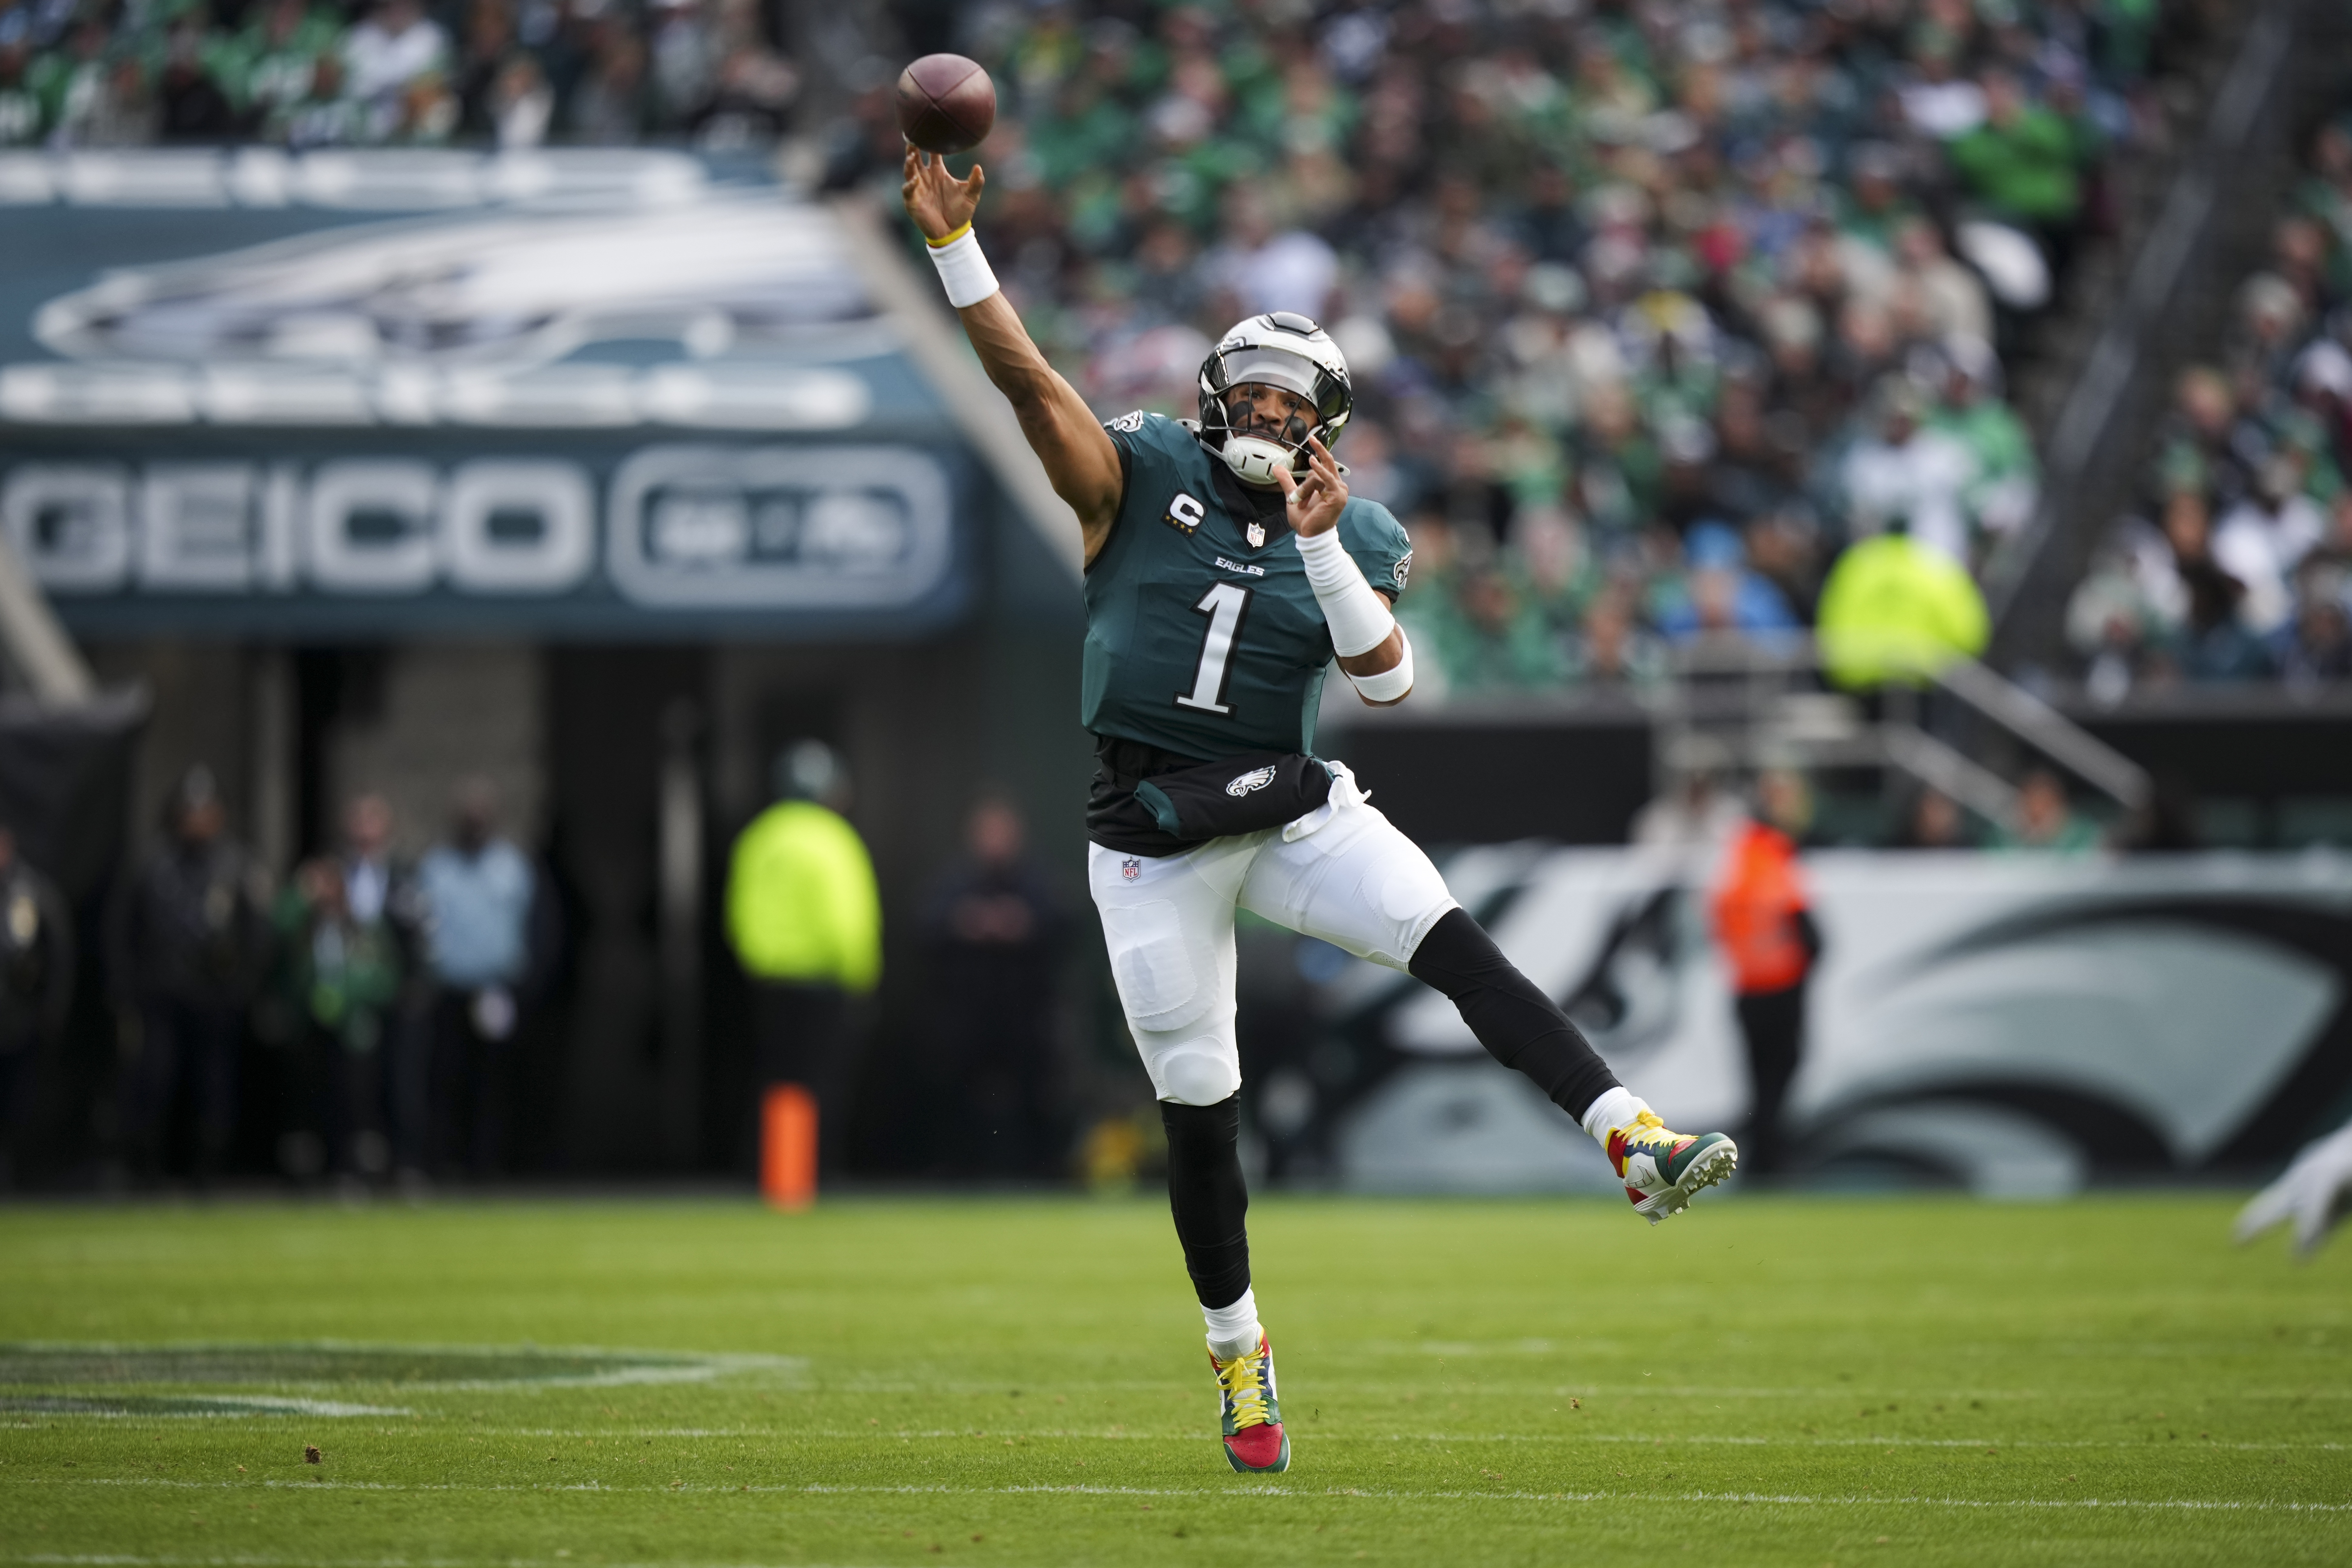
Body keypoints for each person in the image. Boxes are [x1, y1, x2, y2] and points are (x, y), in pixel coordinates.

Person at [904, 144, 1738, 1476]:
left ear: (1328, 429)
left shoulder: (1347, 529)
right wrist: (956, 249)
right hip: (1151, 836)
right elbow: (1027, 382)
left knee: (1455, 941)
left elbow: (1389, 681)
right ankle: (1241, 1351)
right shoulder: (1136, 474)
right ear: (1212, 396)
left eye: (1299, 404)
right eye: (1255, 393)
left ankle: (1631, 1133)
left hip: (1292, 810)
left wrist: (1316, 542)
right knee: (1199, 1102)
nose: (1273, 416)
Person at [723, 740, 880, 1178]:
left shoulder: (761, 837)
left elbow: (741, 912)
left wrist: (760, 961)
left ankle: (774, 1176)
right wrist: (861, 977)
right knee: (821, 1085)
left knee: (776, 1081)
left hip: (770, 981)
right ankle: (816, 1176)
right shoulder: (833, 838)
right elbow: (848, 920)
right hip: (824, 982)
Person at [111, 768, 267, 1187]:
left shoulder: (235, 866)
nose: (198, 819)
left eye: (206, 810)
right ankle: (148, 1170)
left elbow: (255, 938)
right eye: (190, 810)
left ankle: (209, 1170)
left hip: (216, 1000)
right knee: (154, 1079)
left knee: (213, 1087)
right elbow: (127, 935)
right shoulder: (153, 867)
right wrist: (129, 994)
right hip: (161, 997)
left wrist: (241, 990)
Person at [919, 797, 1069, 1178]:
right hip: (966, 1015)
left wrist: (1021, 923)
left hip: (1024, 1015)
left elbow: (1063, 922)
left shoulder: (1036, 879)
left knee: (1034, 1097)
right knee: (954, 1096)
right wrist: (967, 921)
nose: (995, 840)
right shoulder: (955, 879)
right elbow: (926, 923)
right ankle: (953, 1174)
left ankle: (1035, 1176)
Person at [416, 778, 534, 1178]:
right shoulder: (437, 868)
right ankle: (446, 1162)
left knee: (494, 1083)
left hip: (495, 989)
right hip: (448, 989)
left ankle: (491, 1164)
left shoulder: (511, 867)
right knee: (447, 1080)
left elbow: (532, 927)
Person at [1709, 771, 1822, 1177]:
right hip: (1783, 985)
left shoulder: (1735, 862)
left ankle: (1759, 1154)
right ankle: (1771, 1156)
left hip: (1745, 986)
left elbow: (1718, 922)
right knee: (1782, 1071)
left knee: (1757, 1079)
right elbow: (1809, 930)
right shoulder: (1776, 856)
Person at [0, 825, 72, 1189]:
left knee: (21, 1103)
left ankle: (20, 1177)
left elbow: (58, 956)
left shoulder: (32, 892)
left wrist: (50, 1009)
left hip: (19, 1020)